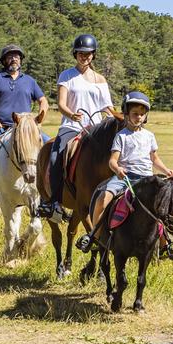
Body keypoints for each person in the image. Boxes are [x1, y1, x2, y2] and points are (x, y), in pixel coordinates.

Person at [75, 91, 173, 257]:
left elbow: (154, 159)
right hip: (125, 178)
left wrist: (166, 171)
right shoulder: (120, 136)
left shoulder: (149, 136)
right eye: (135, 114)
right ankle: (94, 235)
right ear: (126, 115)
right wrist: (118, 170)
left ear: (146, 117)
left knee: (163, 203)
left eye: (142, 114)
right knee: (103, 197)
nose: (138, 117)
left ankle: (166, 244)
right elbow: (112, 161)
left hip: (146, 178)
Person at [38, 34, 114, 224]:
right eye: (80, 53)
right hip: (71, 126)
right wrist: (71, 114)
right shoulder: (67, 75)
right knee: (57, 154)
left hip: (95, 128)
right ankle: (53, 200)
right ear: (75, 54)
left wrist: (121, 118)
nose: (84, 56)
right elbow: (61, 103)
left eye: (88, 53)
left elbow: (108, 108)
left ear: (93, 55)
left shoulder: (100, 79)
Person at [0, 45, 50, 199]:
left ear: (21, 60)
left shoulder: (29, 81)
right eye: (10, 56)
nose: (14, 58)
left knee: (50, 145)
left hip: (24, 128)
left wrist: (39, 119)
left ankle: (51, 191)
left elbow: (43, 100)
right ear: (4, 61)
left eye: (17, 56)